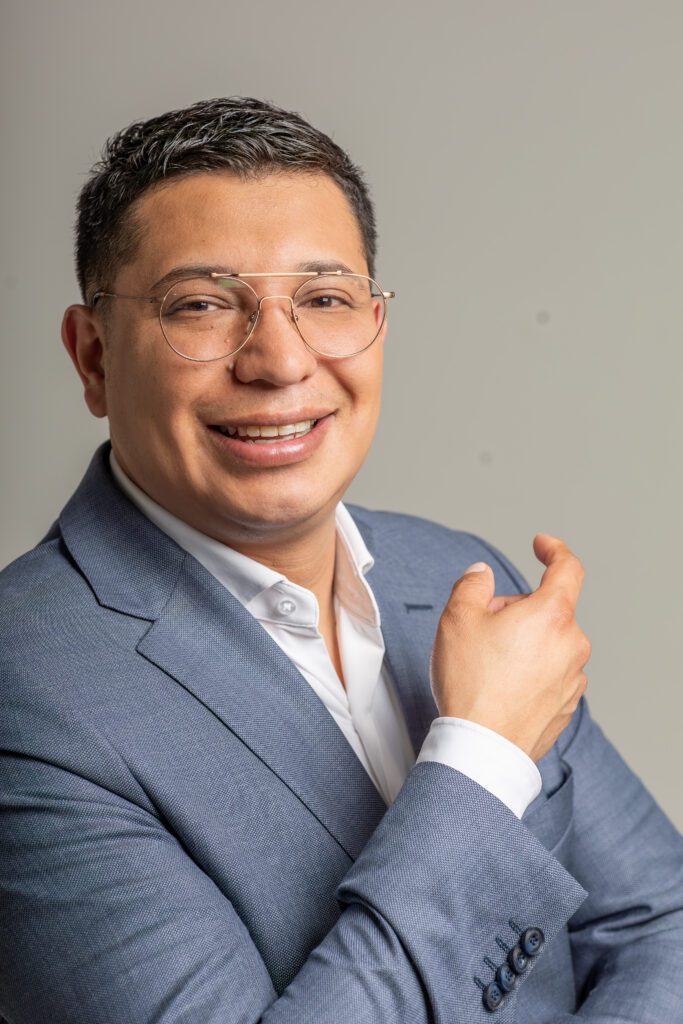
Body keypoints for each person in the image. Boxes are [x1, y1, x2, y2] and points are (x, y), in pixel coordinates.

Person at [0, 96, 680, 1024]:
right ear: (93, 359)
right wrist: (482, 758)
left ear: (377, 325)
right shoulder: (28, 690)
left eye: (323, 300)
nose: (280, 362)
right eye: (201, 305)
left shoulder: (457, 575)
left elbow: (662, 923)